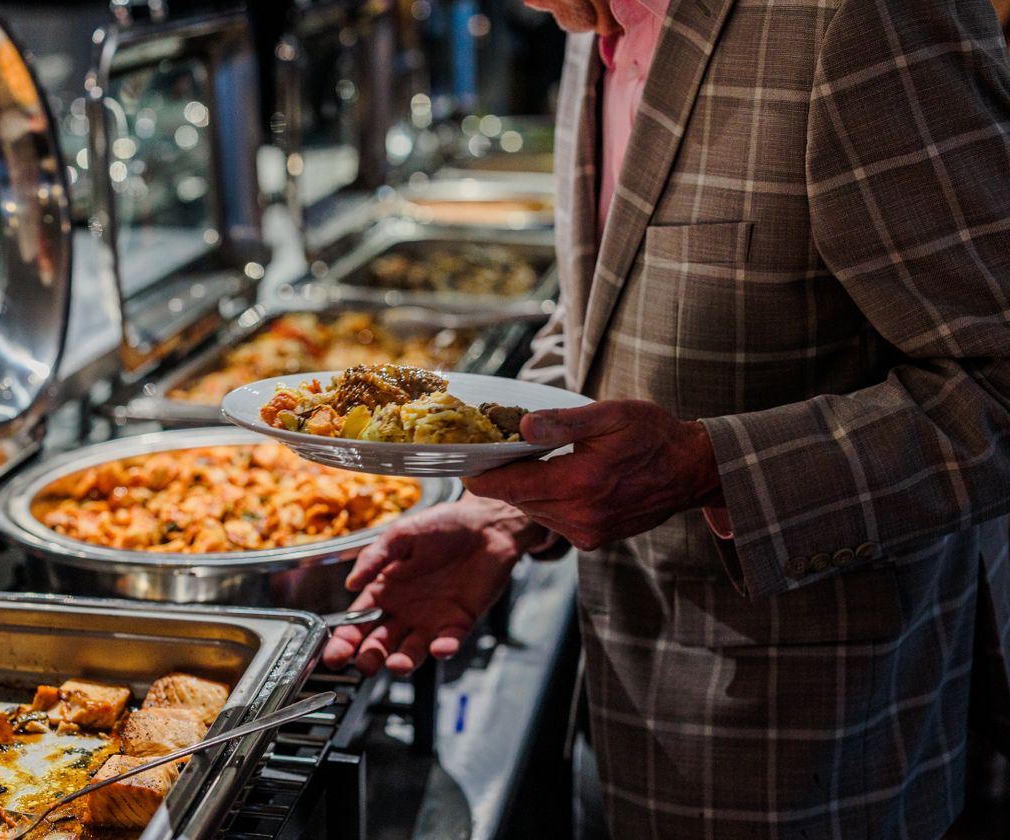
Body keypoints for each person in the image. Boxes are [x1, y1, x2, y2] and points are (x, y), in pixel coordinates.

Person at [323, 0, 1010, 837]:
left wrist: (708, 467)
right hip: (617, 704)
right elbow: (603, 310)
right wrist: (505, 510)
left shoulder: (864, 19)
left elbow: (995, 385)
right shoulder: (588, 25)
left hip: (805, 750)